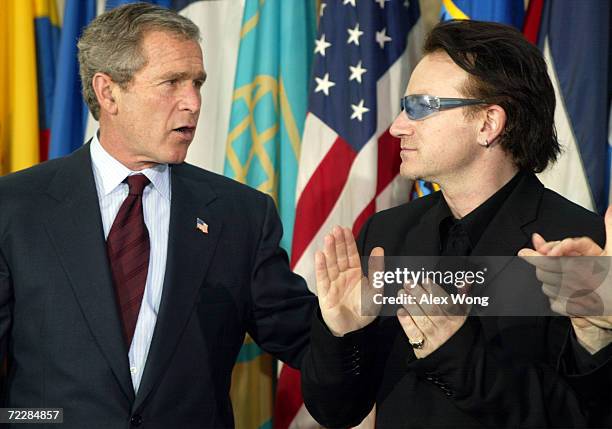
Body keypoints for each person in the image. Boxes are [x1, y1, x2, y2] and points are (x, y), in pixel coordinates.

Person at [0, 3, 315, 428]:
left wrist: (353, 316)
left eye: (198, 83)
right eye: (172, 82)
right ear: (108, 92)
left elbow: (304, 340)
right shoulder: (16, 206)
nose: (193, 102)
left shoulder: (241, 214)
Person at [301, 20, 610, 428]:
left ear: (488, 124)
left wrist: (455, 354)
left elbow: (583, 417)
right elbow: (336, 411)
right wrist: (341, 334)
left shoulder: (580, 244)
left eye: (420, 107)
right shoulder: (388, 234)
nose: (397, 127)